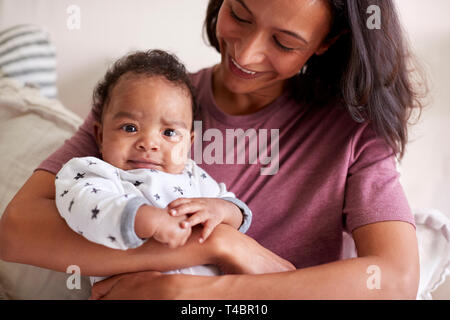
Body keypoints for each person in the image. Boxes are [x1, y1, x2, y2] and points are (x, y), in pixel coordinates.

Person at [0, 0, 424, 299]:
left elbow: (394, 278)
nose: (247, 52)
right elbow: (16, 232)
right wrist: (220, 244)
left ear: (327, 42)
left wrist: (202, 295)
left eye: (284, 42)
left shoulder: (353, 133)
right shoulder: (146, 105)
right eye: (239, 13)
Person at [54, 50, 252, 284]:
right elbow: (83, 208)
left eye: (169, 133)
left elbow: (238, 211)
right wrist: (145, 219)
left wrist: (220, 210)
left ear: (188, 143)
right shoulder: (93, 172)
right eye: (129, 128)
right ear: (100, 136)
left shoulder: (193, 176)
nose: (148, 143)